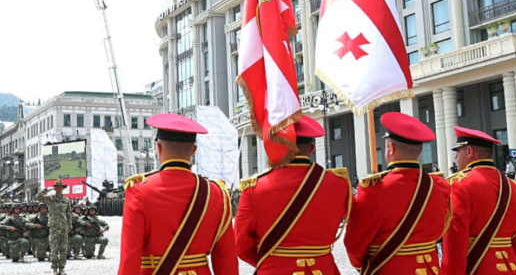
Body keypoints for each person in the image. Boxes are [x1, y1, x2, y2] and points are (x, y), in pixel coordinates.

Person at [117, 113, 238, 275]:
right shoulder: (216, 193)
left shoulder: (140, 190)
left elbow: (129, 257)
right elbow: (226, 258)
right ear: (193, 151)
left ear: (158, 148)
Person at [235, 116, 352, 274]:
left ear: (278, 145)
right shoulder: (338, 184)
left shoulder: (255, 188)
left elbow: (241, 245)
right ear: (311, 149)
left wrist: (271, 261)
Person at [345, 112, 451, 274]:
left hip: (389, 268)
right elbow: (442, 229)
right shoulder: (440, 185)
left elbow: (356, 242)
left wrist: (364, 265)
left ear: (390, 148)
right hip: (429, 268)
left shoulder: (375, 188)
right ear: (420, 150)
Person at [442, 126, 516, 274]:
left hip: (479, 269)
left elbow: (455, 243)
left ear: (469, 151)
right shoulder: (515, 189)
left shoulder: (459, 185)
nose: (456, 158)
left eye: (458, 152)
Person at [37, 179, 73, 275]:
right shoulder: (50, 198)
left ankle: (61, 268)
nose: (59, 188)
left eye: (61, 187)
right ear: (55, 188)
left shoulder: (66, 200)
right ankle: (54, 268)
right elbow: (38, 197)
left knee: (63, 249)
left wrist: (69, 226)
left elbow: (69, 214)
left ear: (63, 188)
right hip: (54, 227)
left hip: (64, 227)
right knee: (54, 248)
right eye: (57, 187)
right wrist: (47, 190)